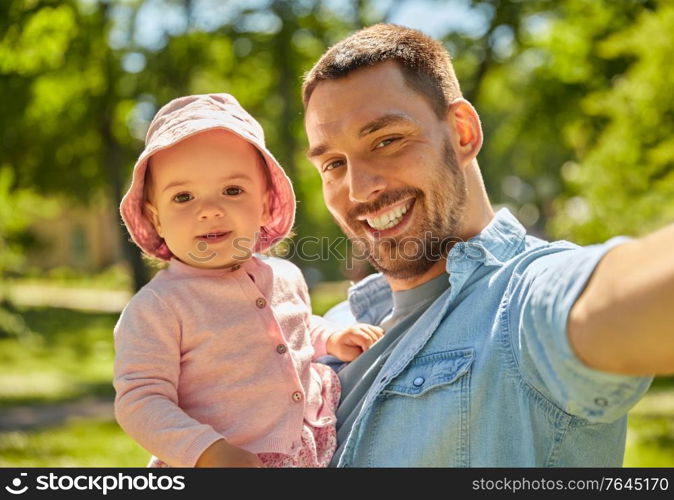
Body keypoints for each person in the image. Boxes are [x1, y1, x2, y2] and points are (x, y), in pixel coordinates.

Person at [301, 24, 674, 467]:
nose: (358, 189)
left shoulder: (523, 301)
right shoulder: (325, 332)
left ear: (462, 132)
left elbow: (622, 296)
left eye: (386, 141)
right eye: (333, 163)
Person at [113, 93, 383, 468]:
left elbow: (295, 328)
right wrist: (207, 451)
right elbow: (140, 400)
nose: (209, 210)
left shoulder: (285, 275)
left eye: (233, 190)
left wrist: (330, 338)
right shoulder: (159, 307)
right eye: (184, 196)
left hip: (306, 449)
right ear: (156, 218)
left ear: (264, 204)